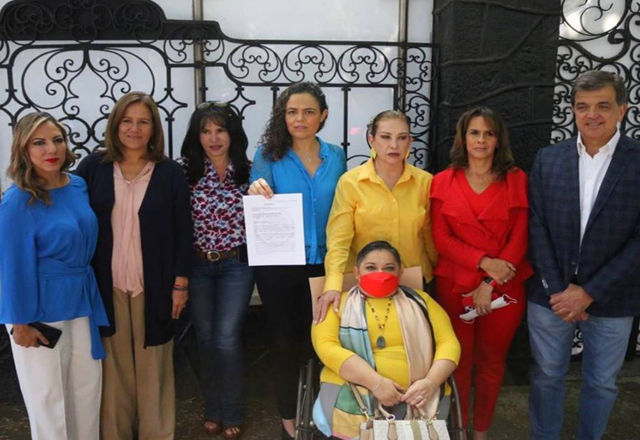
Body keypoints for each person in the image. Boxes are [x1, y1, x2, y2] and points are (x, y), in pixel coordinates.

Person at [528, 70, 640, 440]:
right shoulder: (548, 159)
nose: (592, 115)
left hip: (613, 297)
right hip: (551, 296)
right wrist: (559, 290)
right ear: (574, 110)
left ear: (621, 109)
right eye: (583, 106)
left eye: (602, 106)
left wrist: (589, 291)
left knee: (602, 383)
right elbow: (537, 226)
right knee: (546, 376)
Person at [75, 92, 192, 440]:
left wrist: (180, 284)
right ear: (115, 125)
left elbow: (183, 231)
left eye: (143, 121)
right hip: (106, 285)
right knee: (113, 370)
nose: (134, 128)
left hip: (154, 285)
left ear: (154, 128)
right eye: (127, 120)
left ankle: (157, 434)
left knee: (155, 366)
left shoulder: (170, 173)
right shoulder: (92, 168)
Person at [0, 112, 109, 440]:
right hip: (39, 311)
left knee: (87, 393)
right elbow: (11, 266)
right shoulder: (18, 200)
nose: (51, 149)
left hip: (82, 303)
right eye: (39, 142)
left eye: (57, 140)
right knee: (48, 401)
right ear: (23, 149)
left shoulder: (77, 185)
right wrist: (20, 323)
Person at [248, 82, 346, 439]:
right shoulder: (268, 155)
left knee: (323, 342)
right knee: (284, 342)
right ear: (283, 116)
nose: (299, 119)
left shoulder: (336, 155)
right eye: (292, 112)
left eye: (308, 112)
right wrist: (255, 191)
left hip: (326, 265)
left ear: (323, 115)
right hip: (280, 266)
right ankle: (289, 418)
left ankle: (325, 414)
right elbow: (257, 201)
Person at [430, 107, 532, 440]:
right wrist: (484, 262)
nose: (481, 140)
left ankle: (481, 430)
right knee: (456, 360)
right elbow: (441, 238)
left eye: (489, 133)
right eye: (474, 132)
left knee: (492, 363)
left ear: (499, 139)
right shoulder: (443, 181)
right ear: (463, 137)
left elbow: (520, 237)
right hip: (455, 282)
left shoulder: (516, 178)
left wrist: (490, 282)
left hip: (505, 286)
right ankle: (459, 428)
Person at [311, 240, 460, 440]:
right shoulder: (336, 305)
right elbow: (326, 347)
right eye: (371, 267)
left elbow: (449, 343)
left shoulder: (422, 301)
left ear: (400, 273)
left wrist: (430, 383)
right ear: (357, 273)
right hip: (353, 390)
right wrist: (375, 383)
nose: (380, 273)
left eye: (389, 268)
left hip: (418, 395)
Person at [178, 101, 254, 439]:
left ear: (232, 133)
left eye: (220, 130)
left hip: (236, 264)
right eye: (205, 131)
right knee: (205, 338)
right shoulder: (185, 172)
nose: (213, 138)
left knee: (226, 337)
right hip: (197, 264)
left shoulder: (249, 171)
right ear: (196, 136)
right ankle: (213, 409)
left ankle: (233, 410)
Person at [322, 110, 438, 320]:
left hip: (412, 279)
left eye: (401, 138)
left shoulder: (425, 182)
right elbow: (339, 240)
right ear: (372, 140)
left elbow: (430, 235)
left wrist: (437, 274)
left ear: (410, 141)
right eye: (385, 137)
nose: (394, 145)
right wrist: (333, 284)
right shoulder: (351, 183)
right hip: (364, 283)